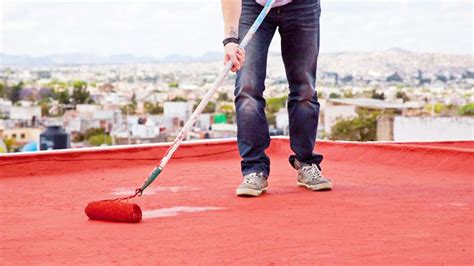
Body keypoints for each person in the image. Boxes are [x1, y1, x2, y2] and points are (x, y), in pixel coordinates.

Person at [221, 0, 332, 197]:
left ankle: (306, 162)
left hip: (302, 5)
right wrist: (231, 39)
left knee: (304, 87)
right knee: (248, 87)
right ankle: (254, 169)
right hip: (252, 6)